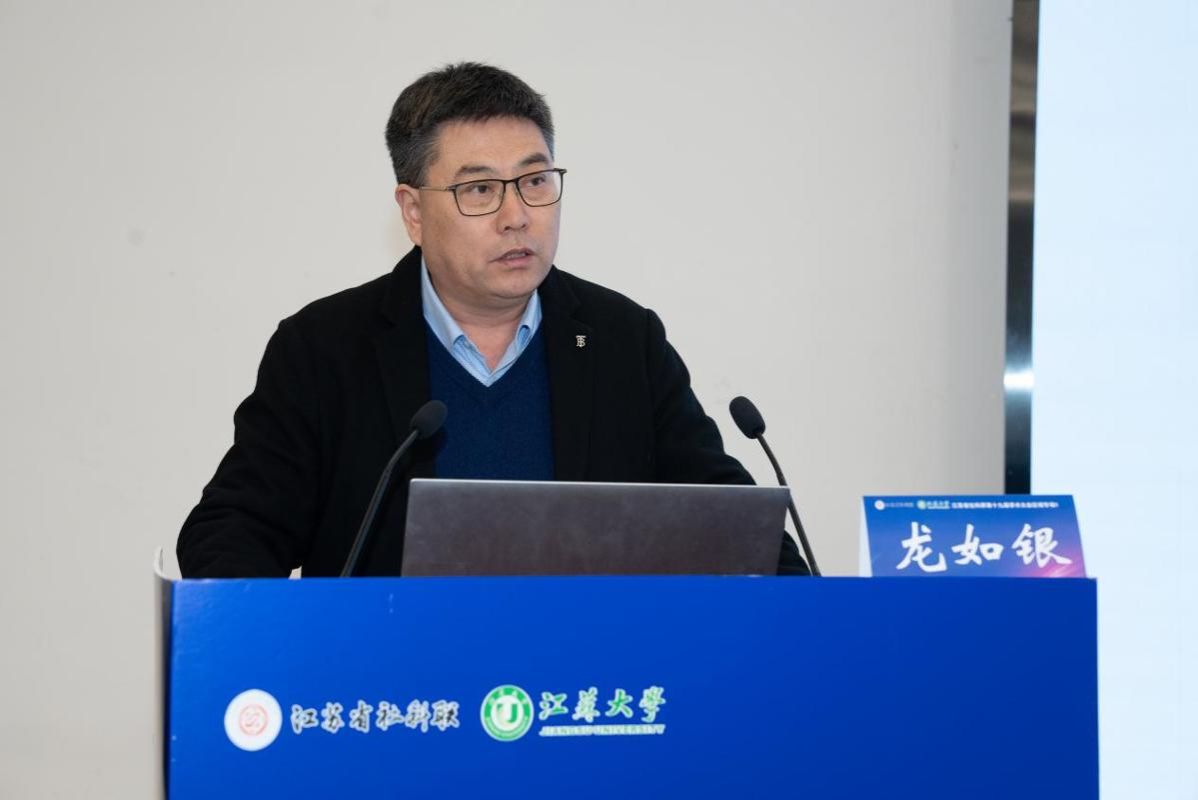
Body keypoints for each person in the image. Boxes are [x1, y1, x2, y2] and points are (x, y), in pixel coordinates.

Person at [177, 62, 808, 577]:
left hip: (579, 678)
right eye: (479, 189)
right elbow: (233, 531)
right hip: (394, 677)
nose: (517, 215)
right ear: (413, 212)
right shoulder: (325, 348)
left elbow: (731, 525)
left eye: (535, 181)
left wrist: (810, 615)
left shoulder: (623, 340)